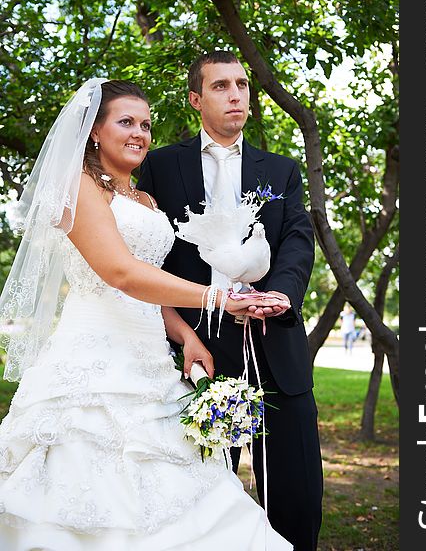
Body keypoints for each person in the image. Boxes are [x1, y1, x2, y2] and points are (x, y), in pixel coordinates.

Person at [0, 78, 293, 550]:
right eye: (126, 122)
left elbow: (148, 291)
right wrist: (217, 299)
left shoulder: (145, 200)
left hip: (152, 364)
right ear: (95, 130)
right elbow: (120, 273)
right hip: (93, 366)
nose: (140, 133)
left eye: (146, 124)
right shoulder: (78, 187)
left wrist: (184, 336)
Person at [138, 50, 323, 551]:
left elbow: (297, 239)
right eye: (221, 86)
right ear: (196, 99)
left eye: (242, 85)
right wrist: (179, 328)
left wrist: (280, 293)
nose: (236, 94)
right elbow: (149, 255)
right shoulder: (158, 166)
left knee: (297, 496)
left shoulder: (280, 171)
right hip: (197, 350)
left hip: (274, 344)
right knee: (201, 499)